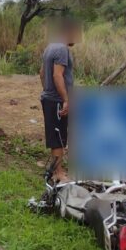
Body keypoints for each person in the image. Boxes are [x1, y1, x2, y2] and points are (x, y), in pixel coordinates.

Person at [39, 19, 82, 183]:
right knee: (58, 136)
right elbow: (58, 75)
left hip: (49, 98)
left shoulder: (50, 47)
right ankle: (58, 173)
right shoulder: (62, 49)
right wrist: (65, 99)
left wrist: (46, 91)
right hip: (57, 100)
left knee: (55, 134)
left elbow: (42, 73)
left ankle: (56, 168)